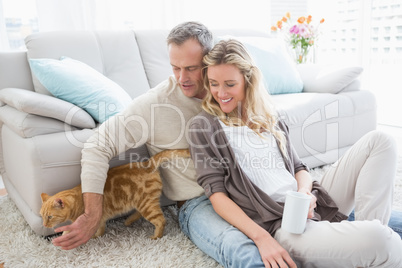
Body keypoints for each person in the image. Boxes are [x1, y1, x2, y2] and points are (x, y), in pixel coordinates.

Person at [51, 20, 402, 267]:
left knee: (375, 180)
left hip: (277, 197)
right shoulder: (164, 107)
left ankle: (358, 242)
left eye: (191, 68)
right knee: (246, 251)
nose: (182, 79)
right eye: (174, 68)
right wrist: (90, 213)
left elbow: (294, 165)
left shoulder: (253, 106)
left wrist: (305, 192)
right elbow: (97, 146)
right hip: (199, 201)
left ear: (211, 60)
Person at [188, 38, 402, 267]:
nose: (220, 93)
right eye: (213, 83)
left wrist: (305, 194)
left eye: (230, 84)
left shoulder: (270, 117)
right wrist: (261, 238)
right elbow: (217, 196)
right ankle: (366, 241)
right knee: (385, 240)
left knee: (381, 141)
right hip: (284, 225)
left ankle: (362, 241)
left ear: (248, 81)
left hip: (309, 204)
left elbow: (300, 169)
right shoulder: (204, 126)